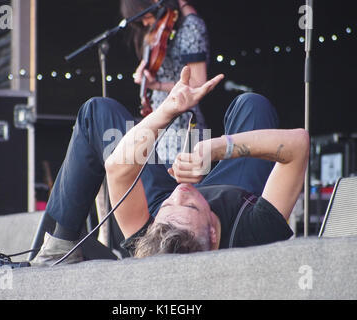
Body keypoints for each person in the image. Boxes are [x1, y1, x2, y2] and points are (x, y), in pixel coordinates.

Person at [31, 67, 309, 266]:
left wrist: (168, 109)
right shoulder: (254, 232)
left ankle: (60, 245)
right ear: (213, 235)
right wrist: (217, 147)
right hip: (238, 192)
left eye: (168, 207)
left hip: (166, 212)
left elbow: (118, 168)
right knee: (252, 104)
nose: (181, 190)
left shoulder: (149, 239)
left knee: (97, 112)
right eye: (188, 206)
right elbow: (298, 145)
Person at [120, 0, 210, 164]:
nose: (145, 22)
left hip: (183, 125)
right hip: (160, 126)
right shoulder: (160, 30)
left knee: (184, 185)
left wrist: (157, 85)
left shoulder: (190, 25)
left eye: (145, 15)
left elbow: (198, 83)